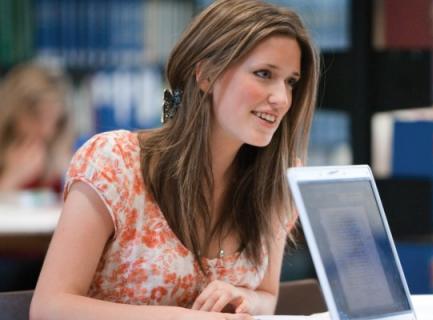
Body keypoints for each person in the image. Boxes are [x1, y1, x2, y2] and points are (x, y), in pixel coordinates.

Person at [30, 0, 319, 319]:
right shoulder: (116, 162)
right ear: (206, 75)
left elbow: (267, 297)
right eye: (264, 74)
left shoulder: (279, 179)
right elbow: (49, 307)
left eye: (291, 81)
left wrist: (244, 298)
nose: (282, 98)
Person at [0, 63, 72, 194]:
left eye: (54, 122)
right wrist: (12, 178)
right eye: (37, 117)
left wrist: (67, 176)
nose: (46, 131)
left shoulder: (61, 156)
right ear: (14, 112)